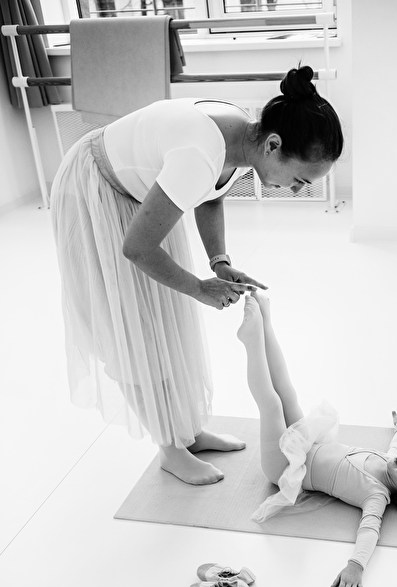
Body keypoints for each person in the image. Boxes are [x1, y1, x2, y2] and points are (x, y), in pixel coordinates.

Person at [50, 65, 344, 486]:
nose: (298, 190)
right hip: (93, 189)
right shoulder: (200, 152)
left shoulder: (243, 136)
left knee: (167, 323)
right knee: (133, 330)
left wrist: (219, 262)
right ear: (274, 145)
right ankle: (170, 450)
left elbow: (211, 194)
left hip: (136, 193)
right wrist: (199, 288)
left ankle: (187, 433)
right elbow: (137, 248)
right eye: (300, 179)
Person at [236, 293, 397, 587]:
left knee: (272, 405)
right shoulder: (392, 458)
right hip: (307, 443)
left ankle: (250, 341)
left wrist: (356, 566)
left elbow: (370, 531)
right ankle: (266, 326)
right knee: (287, 392)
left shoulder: (376, 495)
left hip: (285, 468)